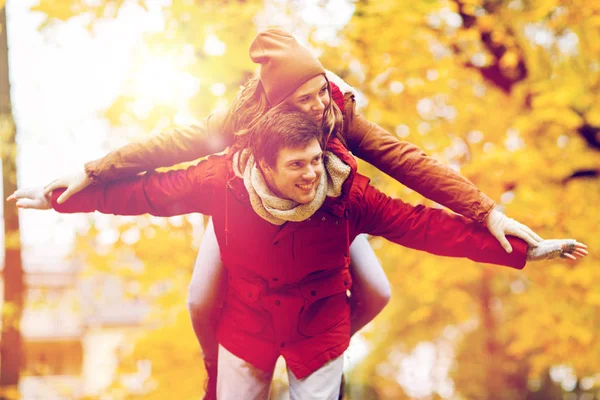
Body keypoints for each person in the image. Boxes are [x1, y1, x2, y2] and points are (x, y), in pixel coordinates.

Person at [39, 28, 544, 398]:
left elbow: (406, 160)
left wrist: (487, 212)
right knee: (199, 297)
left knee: (379, 289)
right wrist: (95, 172)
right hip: (247, 214)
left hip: (330, 211)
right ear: (277, 109)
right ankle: (217, 369)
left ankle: (319, 340)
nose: (321, 106)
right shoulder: (242, 122)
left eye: (322, 90)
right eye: (307, 99)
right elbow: (172, 146)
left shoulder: (337, 111)